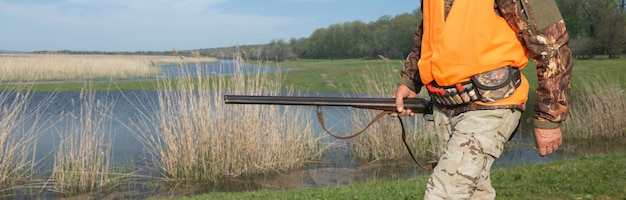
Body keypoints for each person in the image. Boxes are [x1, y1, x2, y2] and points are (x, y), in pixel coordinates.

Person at [391, 0, 573, 199]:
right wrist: (410, 81)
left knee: (443, 194)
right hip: (443, 106)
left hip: (491, 104)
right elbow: (428, 32)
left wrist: (549, 115)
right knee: (475, 194)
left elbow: (552, 39)